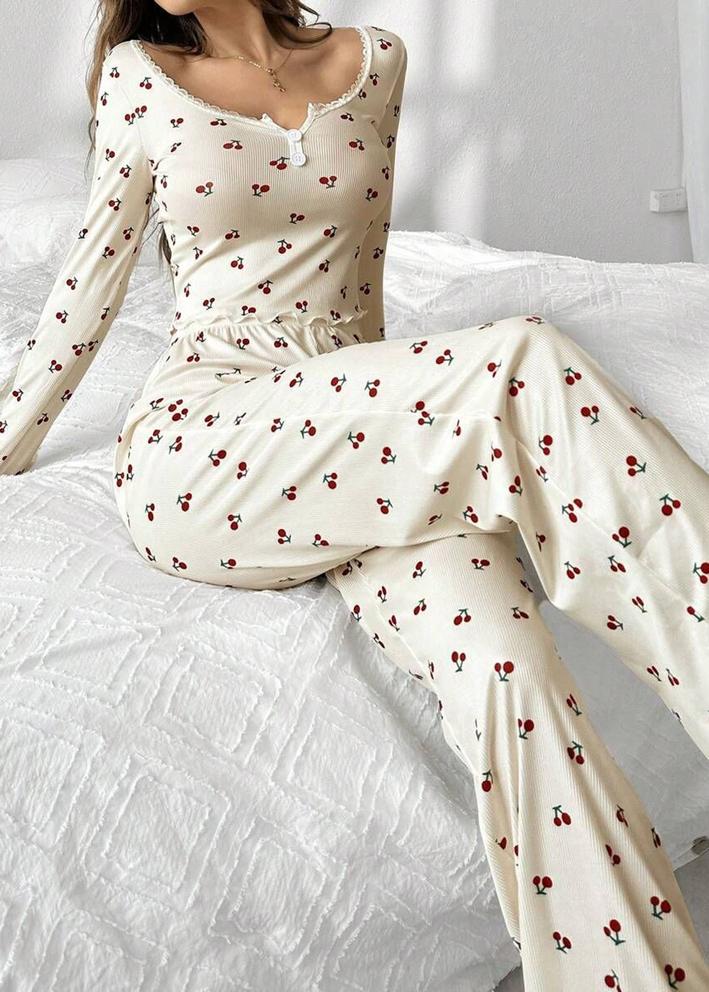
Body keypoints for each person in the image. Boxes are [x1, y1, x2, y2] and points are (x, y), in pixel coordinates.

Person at [2, 2, 708, 988]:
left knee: (510, 670)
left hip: (363, 431)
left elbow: (357, 283)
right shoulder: (140, 78)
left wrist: (385, 397)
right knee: (522, 360)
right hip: (209, 445)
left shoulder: (373, 61)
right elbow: (88, 286)